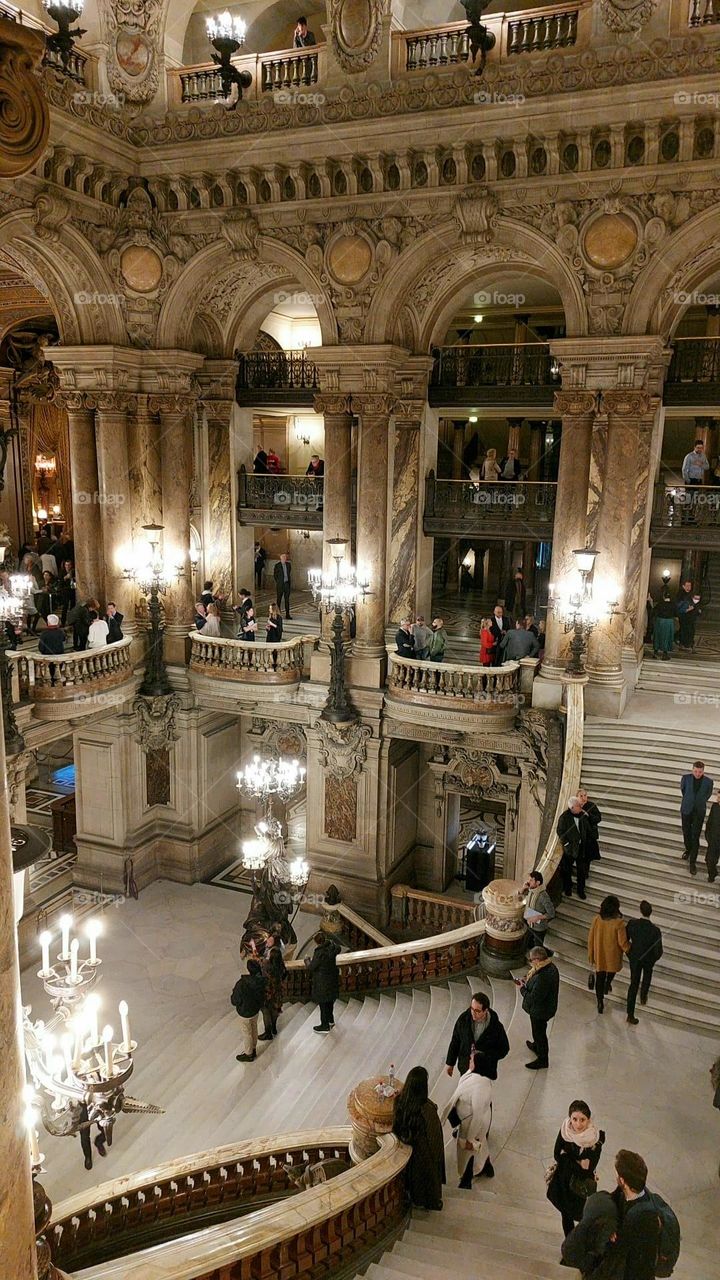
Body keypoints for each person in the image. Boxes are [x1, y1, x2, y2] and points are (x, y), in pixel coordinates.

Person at [547, 1099, 605, 1237]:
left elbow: (588, 1169)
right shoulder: (565, 1131)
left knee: (583, 1215)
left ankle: (579, 1241)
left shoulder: (595, 1138)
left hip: (581, 1185)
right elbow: (557, 1155)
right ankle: (570, 1243)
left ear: (588, 1119)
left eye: (582, 1120)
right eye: (574, 1119)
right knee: (566, 1215)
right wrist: (578, 1163)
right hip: (564, 1182)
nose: (578, 1124)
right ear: (570, 1118)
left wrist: (567, 1158)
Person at [392, 1065, 445, 1210]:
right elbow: (435, 1140)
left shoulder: (399, 1101)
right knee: (427, 1180)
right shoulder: (427, 1110)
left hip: (405, 1149)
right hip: (423, 1154)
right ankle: (431, 1203)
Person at [443, 1054, 494, 1188]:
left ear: (477, 1064)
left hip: (473, 1124)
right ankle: (486, 1166)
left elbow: (477, 1115)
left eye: (471, 1060)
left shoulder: (481, 1087)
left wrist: (469, 1138)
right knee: (480, 1145)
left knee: (468, 1152)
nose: (469, 1061)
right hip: (466, 1121)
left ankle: (466, 1179)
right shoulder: (471, 1074)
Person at [611, 1150, 662, 1280]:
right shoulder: (631, 1191)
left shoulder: (641, 1216)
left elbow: (621, 1248)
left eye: (617, 1174)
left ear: (622, 1180)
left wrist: (613, 1236)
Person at [444, 990, 509, 1080]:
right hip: (466, 1067)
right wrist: (450, 1063)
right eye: (472, 1009)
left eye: (477, 1011)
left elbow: (504, 1049)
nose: (473, 1013)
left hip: (485, 1070)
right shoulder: (463, 1020)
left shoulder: (496, 1027)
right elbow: (455, 1040)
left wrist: (485, 1056)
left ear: (485, 1010)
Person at [561, 1189, 622, 1279]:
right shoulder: (611, 1217)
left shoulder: (601, 1195)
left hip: (571, 1244)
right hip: (579, 1254)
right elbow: (600, 1248)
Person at [518, 945, 559, 1070]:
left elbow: (534, 997)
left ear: (537, 960)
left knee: (539, 1034)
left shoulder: (543, 977)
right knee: (538, 1032)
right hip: (545, 1007)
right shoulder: (550, 967)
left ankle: (542, 1060)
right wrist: (527, 981)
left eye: (531, 960)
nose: (530, 962)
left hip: (541, 1011)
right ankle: (536, 1046)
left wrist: (522, 989)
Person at [588, 895, 630, 1014]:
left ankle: (600, 1002)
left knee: (599, 978)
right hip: (613, 955)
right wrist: (629, 949)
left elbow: (591, 937)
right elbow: (622, 942)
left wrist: (591, 953)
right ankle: (608, 984)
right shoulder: (619, 923)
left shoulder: (597, 919)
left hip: (600, 954)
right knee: (611, 972)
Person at [625, 901, 663, 1025]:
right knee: (647, 978)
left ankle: (630, 1014)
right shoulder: (655, 930)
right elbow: (659, 951)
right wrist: (652, 960)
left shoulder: (632, 924)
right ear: (650, 913)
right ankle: (643, 996)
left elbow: (624, 940)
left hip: (635, 958)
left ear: (640, 910)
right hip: (648, 960)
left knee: (633, 984)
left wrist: (630, 953)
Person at [680, 759, 713, 873]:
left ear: (703, 771)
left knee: (695, 836)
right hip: (686, 809)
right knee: (686, 832)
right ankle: (688, 849)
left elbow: (707, 795)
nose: (698, 774)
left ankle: (692, 862)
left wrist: (698, 802)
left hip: (699, 812)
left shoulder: (709, 782)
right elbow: (683, 791)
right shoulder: (685, 778)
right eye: (695, 771)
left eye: (700, 772)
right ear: (692, 770)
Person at [305, 930, 341, 1033]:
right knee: (329, 1001)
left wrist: (307, 960)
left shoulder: (320, 952)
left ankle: (324, 1026)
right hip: (332, 979)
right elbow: (338, 948)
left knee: (323, 1004)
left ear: (317, 942)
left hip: (322, 981)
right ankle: (330, 1020)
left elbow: (312, 967)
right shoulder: (331, 947)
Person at [231, 959, 266, 1063]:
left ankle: (249, 1054)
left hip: (244, 1012)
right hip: (255, 1010)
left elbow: (235, 1000)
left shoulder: (241, 984)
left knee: (247, 1033)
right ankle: (253, 1048)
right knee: (254, 1028)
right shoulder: (261, 981)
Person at [557, 796, 590, 898]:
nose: (580, 807)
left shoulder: (582, 815)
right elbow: (560, 831)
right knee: (567, 870)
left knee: (582, 871)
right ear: (572, 807)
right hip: (570, 849)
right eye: (578, 806)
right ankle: (568, 889)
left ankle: (581, 890)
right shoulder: (564, 817)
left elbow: (586, 828)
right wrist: (566, 844)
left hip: (581, 847)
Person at [259, 934, 286, 1041]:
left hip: (268, 992)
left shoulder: (267, 966)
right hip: (278, 992)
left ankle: (268, 1032)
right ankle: (274, 1027)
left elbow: (261, 972)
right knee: (275, 1010)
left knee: (266, 1011)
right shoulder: (281, 967)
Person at [522, 869, 555, 951]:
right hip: (529, 923)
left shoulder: (543, 896)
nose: (528, 882)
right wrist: (523, 889)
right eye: (529, 879)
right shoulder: (531, 890)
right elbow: (520, 898)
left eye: (531, 880)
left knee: (538, 949)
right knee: (527, 944)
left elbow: (551, 913)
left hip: (539, 927)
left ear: (538, 883)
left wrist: (538, 917)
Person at [578, 786, 602, 871]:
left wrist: (588, 815)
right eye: (581, 796)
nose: (584, 798)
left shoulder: (591, 806)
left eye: (585, 795)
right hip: (579, 840)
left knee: (586, 860)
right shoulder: (575, 807)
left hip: (589, 839)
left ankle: (585, 874)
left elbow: (598, 818)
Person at [676, 579, 701, 650]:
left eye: (690, 586)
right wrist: (686, 609)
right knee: (683, 630)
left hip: (691, 616)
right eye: (687, 586)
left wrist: (696, 609)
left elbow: (697, 604)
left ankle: (690, 644)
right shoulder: (680, 594)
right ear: (683, 586)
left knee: (691, 630)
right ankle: (682, 644)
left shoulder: (693, 594)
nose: (688, 587)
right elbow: (677, 605)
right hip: (683, 616)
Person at [651, 591, 676, 659]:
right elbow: (676, 613)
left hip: (660, 621)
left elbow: (654, 611)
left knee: (658, 636)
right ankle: (665, 653)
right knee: (667, 637)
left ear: (663, 597)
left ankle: (655, 652)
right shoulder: (673, 604)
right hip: (669, 622)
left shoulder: (660, 604)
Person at [705, 789, 720, 882]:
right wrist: (708, 835)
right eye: (718, 797)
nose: (718, 799)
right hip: (714, 839)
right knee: (709, 860)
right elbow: (709, 821)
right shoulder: (715, 806)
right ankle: (712, 874)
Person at [274, 553, 292, 619]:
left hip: (287, 584)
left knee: (287, 600)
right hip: (280, 585)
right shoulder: (277, 565)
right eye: (283, 558)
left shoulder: (288, 565)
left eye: (285, 558)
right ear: (281, 558)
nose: (284, 559)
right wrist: (279, 582)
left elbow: (289, 572)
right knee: (279, 599)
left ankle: (287, 614)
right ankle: (277, 614)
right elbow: (275, 575)